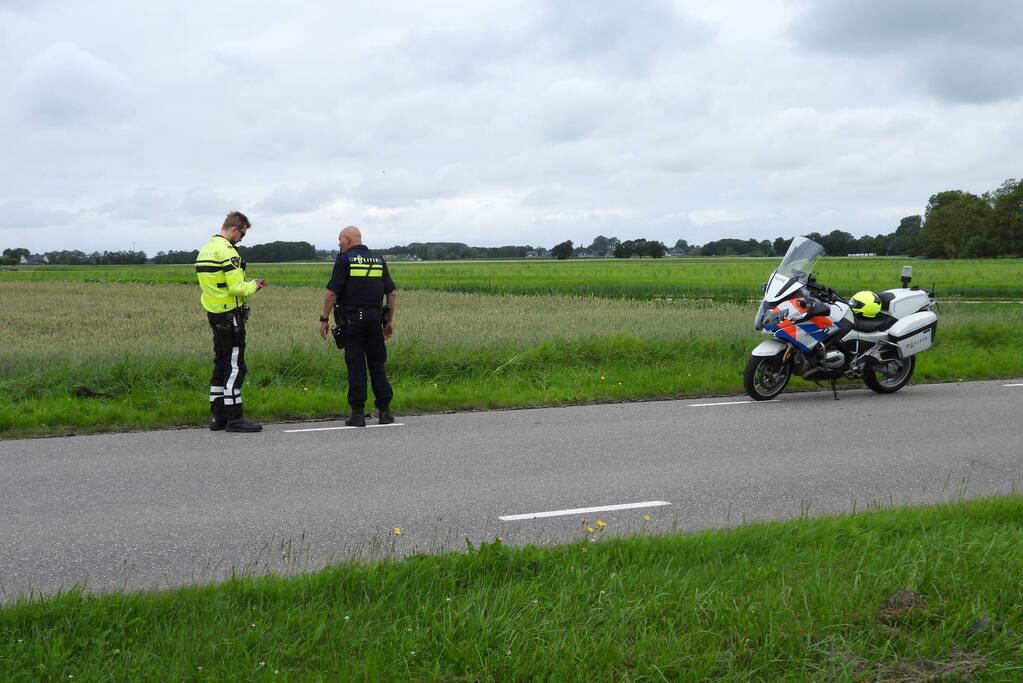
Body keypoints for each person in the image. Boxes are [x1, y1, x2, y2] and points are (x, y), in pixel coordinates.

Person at [195, 211, 266, 432]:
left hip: (214, 313)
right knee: (235, 366)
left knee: (221, 363)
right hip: (230, 315)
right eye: (242, 234)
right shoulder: (228, 252)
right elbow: (236, 288)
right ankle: (235, 418)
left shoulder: (205, 250)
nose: (241, 239)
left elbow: (219, 284)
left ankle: (219, 417)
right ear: (235, 229)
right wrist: (255, 284)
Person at [319, 226, 396, 426]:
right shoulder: (378, 260)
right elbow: (391, 293)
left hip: (352, 322)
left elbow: (331, 294)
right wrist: (389, 321)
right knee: (377, 365)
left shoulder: (344, 260)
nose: (338, 244)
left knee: (356, 367)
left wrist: (324, 319)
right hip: (375, 320)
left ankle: (358, 414)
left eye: (340, 239)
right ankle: (385, 412)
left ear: (347, 239)